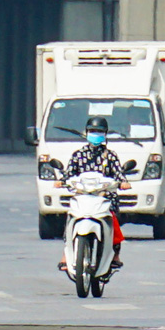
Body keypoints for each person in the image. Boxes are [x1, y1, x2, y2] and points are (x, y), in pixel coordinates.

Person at [61, 115, 129, 270]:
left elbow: (119, 173)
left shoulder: (110, 156)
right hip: (83, 197)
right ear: (86, 133)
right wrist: (62, 181)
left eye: (99, 131)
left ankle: (115, 254)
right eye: (92, 131)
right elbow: (69, 173)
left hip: (105, 197)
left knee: (113, 220)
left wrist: (123, 182)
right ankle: (66, 253)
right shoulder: (78, 155)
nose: (95, 134)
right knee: (70, 218)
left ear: (105, 134)